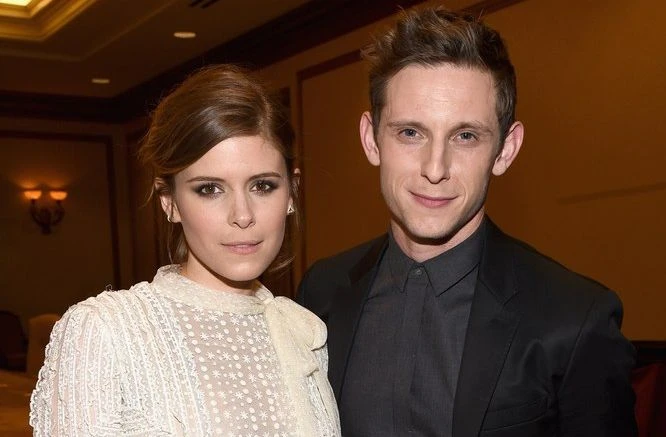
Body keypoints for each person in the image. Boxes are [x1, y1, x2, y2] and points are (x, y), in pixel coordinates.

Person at [297, 6, 636, 437]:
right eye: (410, 133)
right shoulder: (321, 293)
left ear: (505, 150)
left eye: (465, 136)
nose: (435, 168)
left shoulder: (575, 319)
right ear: (371, 139)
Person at [30, 65, 341, 436]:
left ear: (291, 192)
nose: (242, 215)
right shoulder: (107, 332)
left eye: (262, 186)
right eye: (209, 189)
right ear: (170, 201)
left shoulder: (302, 332)